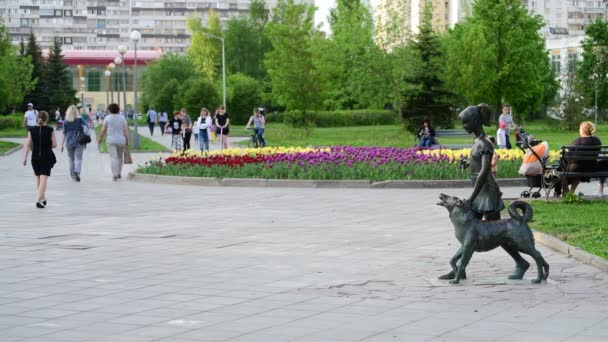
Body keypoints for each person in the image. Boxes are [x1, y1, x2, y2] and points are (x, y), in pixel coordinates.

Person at [460, 104, 505, 221]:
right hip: (480, 190)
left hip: (487, 192)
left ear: (474, 121)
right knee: (474, 227)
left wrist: (471, 197)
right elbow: (479, 161)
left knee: (495, 229)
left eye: (465, 122)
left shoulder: (485, 143)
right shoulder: (477, 141)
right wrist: (469, 162)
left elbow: (484, 171)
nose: (463, 126)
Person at [22, 111, 56, 208]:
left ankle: (43, 198)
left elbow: (28, 144)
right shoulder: (50, 130)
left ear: (37, 118)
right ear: (47, 119)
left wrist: (24, 158)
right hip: (46, 156)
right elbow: (54, 145)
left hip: (35, 157)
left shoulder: (32, 130)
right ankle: (37, 200)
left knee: (38, 178)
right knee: (43, 179)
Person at [565, 121, 602, 194]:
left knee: (560, 170)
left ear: (583, 130)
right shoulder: (597, 140)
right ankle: (571, 193)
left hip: (577, 168)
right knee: (578, 170)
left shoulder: (578, 141)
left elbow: (569, 154)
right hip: (592, 167)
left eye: (580, 129)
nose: (579, 130)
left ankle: (567, 193)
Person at [97, 103, 129, 181]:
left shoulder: (107, 118)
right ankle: (119, 173)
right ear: (118, 109)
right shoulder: (122, 118)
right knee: (119, 157)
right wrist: (127, 140)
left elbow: (103, 130)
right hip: (121, 140)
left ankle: (114, 174)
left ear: (110, 110)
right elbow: (126, 130)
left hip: (111, 140)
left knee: (113, 157)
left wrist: (100, 138)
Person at [61, 105, 86, 182]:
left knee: (71, 159)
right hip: (79, 141)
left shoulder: (65, 122)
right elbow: (86, 127)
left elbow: (64, 133)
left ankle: (72, 175)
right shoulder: (80, 120)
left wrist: (62, 144)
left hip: (69, 142)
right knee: (79, 158)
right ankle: (77, 172)